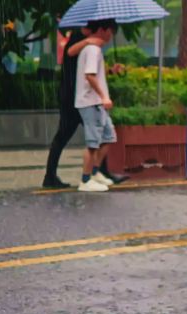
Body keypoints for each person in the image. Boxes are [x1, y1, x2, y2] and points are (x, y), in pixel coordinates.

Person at [43, 26, 128, 189]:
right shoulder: (79, 38)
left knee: (102, 135)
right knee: (68, 136)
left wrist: (109, 71)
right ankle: (55, 176)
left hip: (83, 96)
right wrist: (88, 41)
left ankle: (98, 172)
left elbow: (88, 71)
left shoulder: (90, 44)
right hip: (72, 97)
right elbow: (72, 57)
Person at [75, 19, 118, 192]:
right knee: (93, 143)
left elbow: (95, 73)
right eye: (110, 31)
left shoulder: (94, 49)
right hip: (91, 102)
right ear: (102, 29)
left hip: (97, 103)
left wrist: (110, 71)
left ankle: (94, 172)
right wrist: (104, 97)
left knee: (108, 137)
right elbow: (90, 76)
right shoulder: (92, 49)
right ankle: (85, 181)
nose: (111, 35)